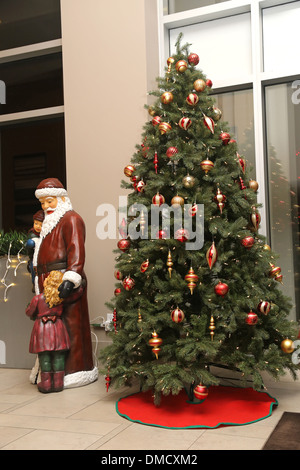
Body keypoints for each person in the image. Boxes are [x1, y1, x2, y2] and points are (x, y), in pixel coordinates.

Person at [32, 178, 97, 388]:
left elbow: (76, 249)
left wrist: (72, 276)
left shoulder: (71, 219)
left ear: (61, 199)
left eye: (49, 202)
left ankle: (75, 371)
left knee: (70, 327)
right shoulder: (49, 224)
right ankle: (50, 374)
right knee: (50, 330)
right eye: (43, 203)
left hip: (63, 281)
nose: (46, 207)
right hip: (48, 282)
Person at [26, 271, 71, 393]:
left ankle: (46, 384)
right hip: (58, 327)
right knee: (59, 356)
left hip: (42, 329)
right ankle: (58, 383)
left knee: (44, 356)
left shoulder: (38, 298)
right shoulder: (61, 299)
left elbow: (30, 312)